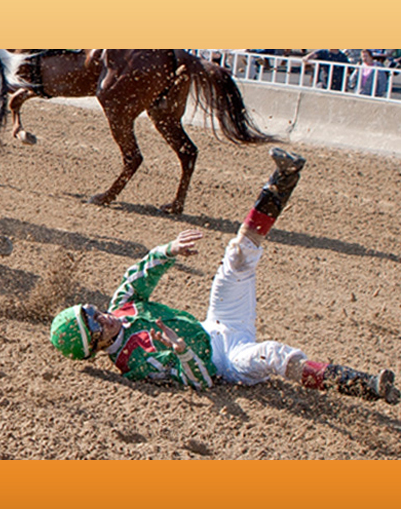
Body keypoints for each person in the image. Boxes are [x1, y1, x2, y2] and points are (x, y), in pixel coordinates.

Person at [49, 148, 398, 405]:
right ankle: (365, 385)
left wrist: (168, 250)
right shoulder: (135, 363)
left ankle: (283, 179)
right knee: (274, 355)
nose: (102, 316)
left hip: (217, 322)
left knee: (237, 256)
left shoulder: (122, 306)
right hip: (227, 360)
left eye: (91, 310)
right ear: (94, 347)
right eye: (94, 324)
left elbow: (139, 274)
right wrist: (181, 350)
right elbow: (200, 381)